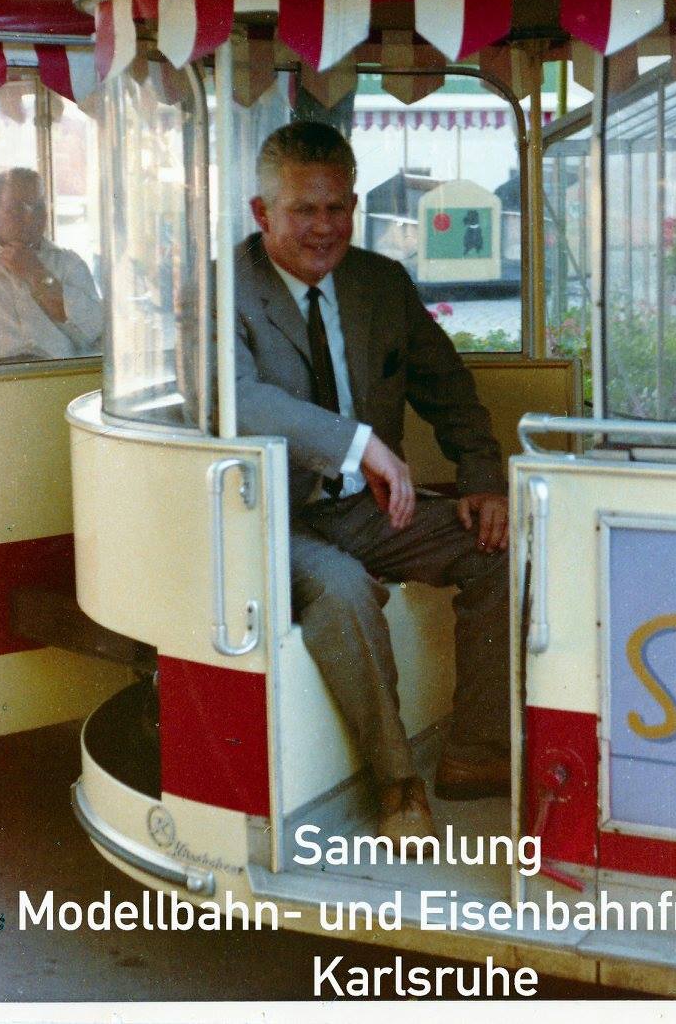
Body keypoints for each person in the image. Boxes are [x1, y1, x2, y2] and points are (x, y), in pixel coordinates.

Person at [235, 121, 510, 846]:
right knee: (345, 591)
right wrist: (358, 445)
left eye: (337, 208)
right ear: (261, 213)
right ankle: (398, 784)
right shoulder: (220, 290)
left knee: (499, 547)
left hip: (367, 510)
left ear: (354, 205)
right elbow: (238, 398)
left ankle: (474, 751)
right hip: (272, 518)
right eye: (303, 210)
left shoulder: (379, 283)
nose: (324, 227)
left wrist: (483, 479)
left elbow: (448, 388)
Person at [0, 168, 102, 364]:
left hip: (59, 375)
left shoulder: (69, 264)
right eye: (18, 208)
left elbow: (96, 333)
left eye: (38, 207)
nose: (31, 217)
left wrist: (38, 274)